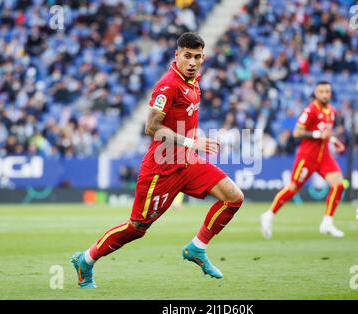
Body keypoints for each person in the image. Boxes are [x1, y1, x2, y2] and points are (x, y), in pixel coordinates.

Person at [71, 32, 244, 288]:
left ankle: (197, 248)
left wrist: (192, 142)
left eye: (197, 57)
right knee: (137, 227)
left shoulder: (195, 82)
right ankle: (86, 260)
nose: (192, 62)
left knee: (234, 197)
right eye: (187, 56)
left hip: (187, 161)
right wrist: (190, 142)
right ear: (177, 55)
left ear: (203, 58)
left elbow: (184, 120)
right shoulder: (168, 85)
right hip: (160, 168)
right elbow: (152, 127)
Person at [260, 81, 346, 239]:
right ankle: (269, 215)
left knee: (338, 185)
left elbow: (325, 132)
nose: (325, 94)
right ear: (316, 93)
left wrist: (333, 140)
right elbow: (297, 133)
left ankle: (327, 222)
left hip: (324, 156)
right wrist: (318, 135)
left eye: (327, 91)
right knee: (293, 187)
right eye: (322, 91)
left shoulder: (332, 111)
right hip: (307, 157)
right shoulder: (311, 110)